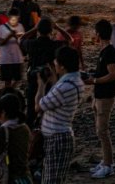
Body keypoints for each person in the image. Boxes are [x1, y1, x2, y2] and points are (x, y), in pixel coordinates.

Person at [36, 46, 83, 184]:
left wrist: (41, 85)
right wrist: (53, 80)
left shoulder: (64, 87)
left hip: (57, 139)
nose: (54, 64)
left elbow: (38, 107)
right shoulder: (75, 81)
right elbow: (58, 96)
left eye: (56, 62)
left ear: (62, 66)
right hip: (61, 137)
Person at [88, 19, 115, 178]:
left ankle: (108, 165)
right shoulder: (104, 51)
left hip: (105, 96)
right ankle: (106, 160)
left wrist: (94, 80)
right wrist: (93, 77)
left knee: (103, 131)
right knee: (100, 131)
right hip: (99, 94)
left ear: (98, 34)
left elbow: (113, 75)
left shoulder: (109, 52)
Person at [0, 8, 25, 89]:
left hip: (17, 57)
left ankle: (10, 91)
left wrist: (17, 37)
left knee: (18, 78)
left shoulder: (20, 26)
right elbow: (0, 43)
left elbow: (22, 42)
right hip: (6, 58)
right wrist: (9, 36)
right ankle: (8, 92)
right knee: (7, 80)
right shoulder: (2, 27)